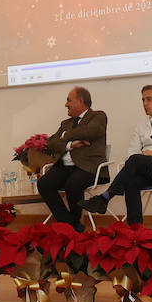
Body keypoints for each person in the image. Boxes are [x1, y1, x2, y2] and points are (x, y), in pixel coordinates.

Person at [81, 84, 152, 223]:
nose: (145, 103)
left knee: (134, 162)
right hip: (145, 169)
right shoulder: (140, 126)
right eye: (143, 100)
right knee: (131, 181)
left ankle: (105, 197)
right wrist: (141, 158)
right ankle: (135, 229)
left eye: (149, 99)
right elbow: (131, 152)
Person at [37, 86, 107, 230]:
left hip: (87, 166)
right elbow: (51, 143)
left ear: (80, 101)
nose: (65, 104)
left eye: (69, 100)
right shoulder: (66, 123)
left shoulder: (98, 116)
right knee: (44, 183)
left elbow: (92, 131)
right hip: (65, 166)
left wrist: (65, 135)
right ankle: (70, 224)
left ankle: (72, 226)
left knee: (72, 184)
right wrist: (70, 145)